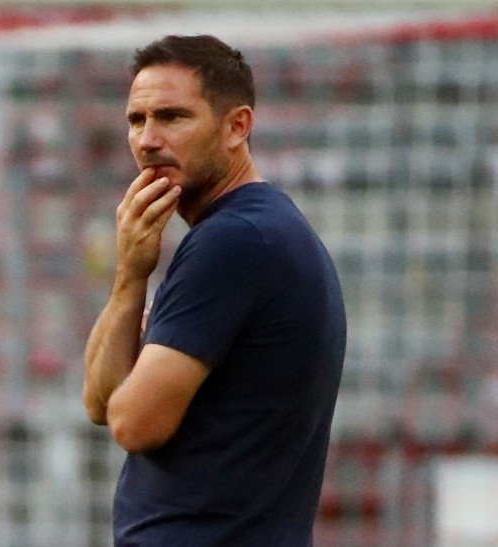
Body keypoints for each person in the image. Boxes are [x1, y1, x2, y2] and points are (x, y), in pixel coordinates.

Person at [82, 34, 347, 546]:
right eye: (136, 120)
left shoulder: (235, 241)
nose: (148, 139)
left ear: (236, 126)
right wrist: (130, 275)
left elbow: (133, 423)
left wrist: (131, 382)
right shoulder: (250, 231)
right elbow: (99, 401)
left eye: (173, 117)